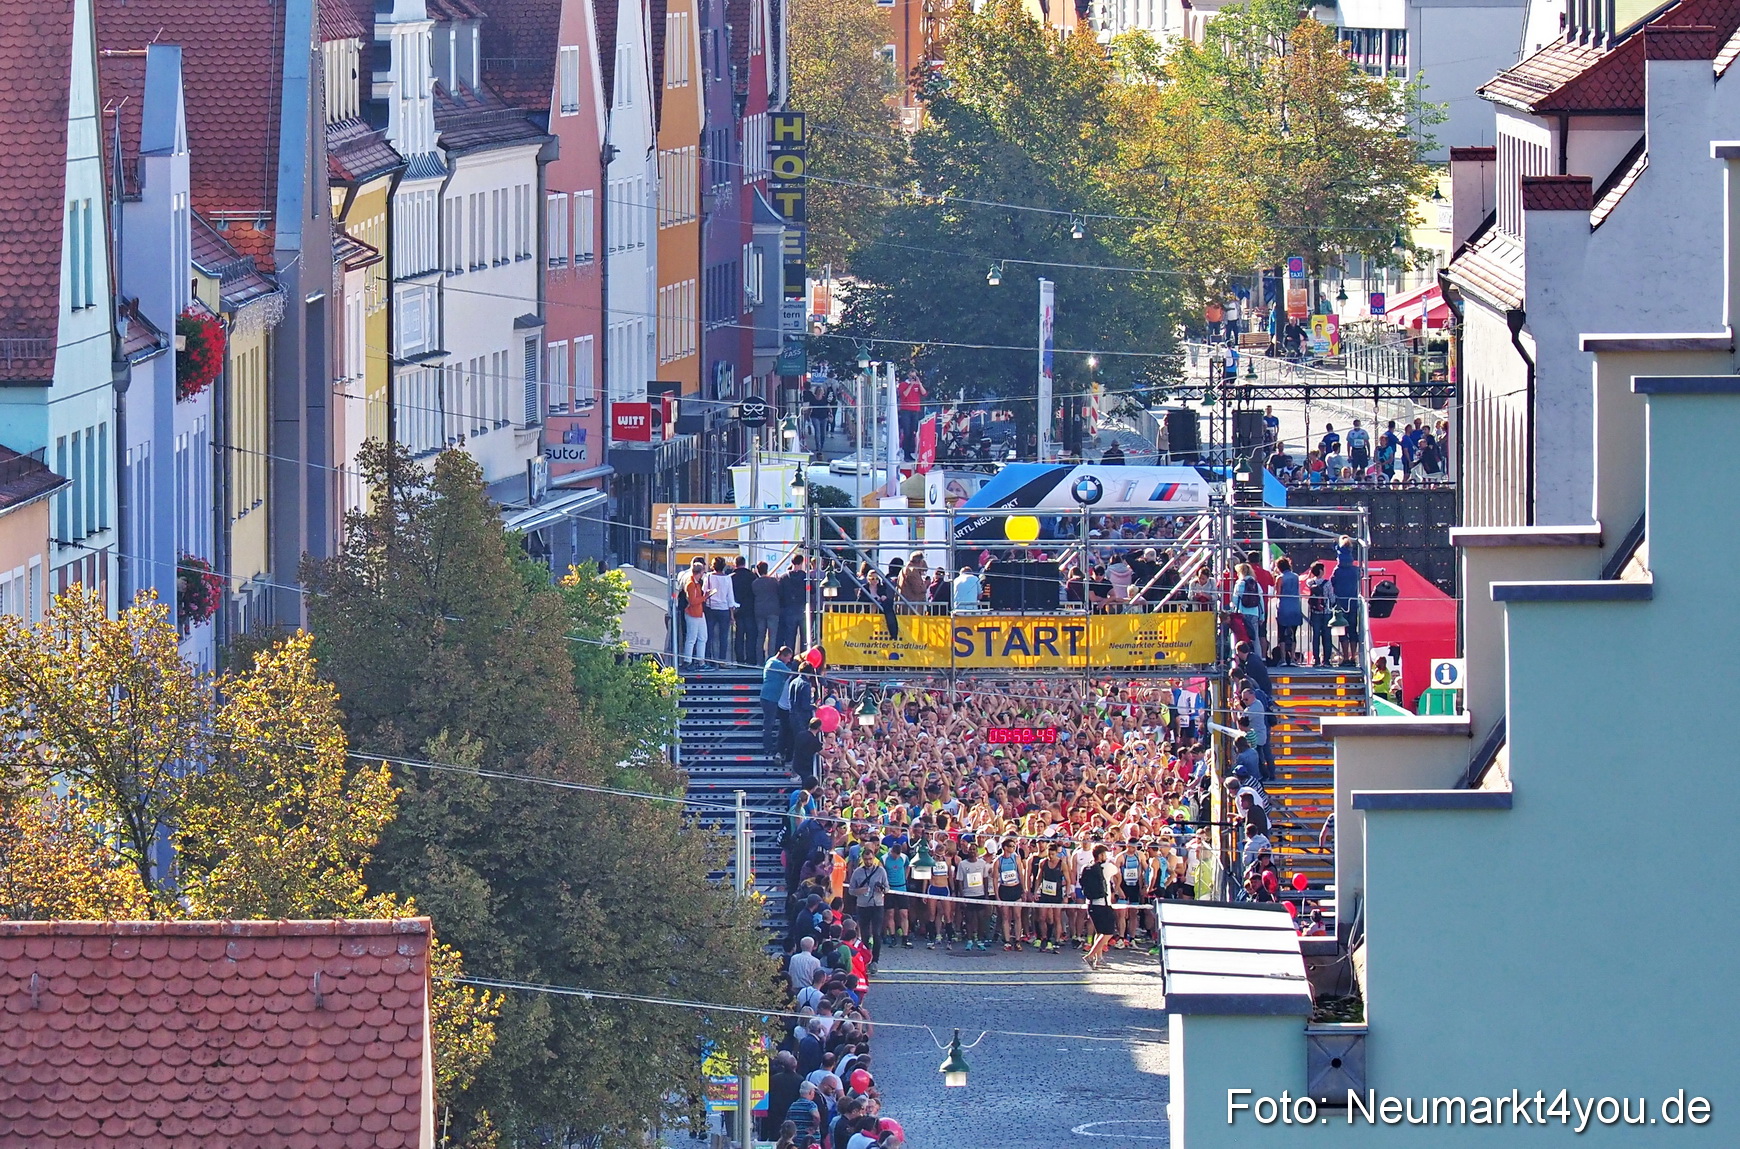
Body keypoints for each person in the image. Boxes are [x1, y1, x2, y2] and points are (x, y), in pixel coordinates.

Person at [1080, 844, 1119, 970]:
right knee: (1108, 932)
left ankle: (1099, 958)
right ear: (1101, 855)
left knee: (1100, 932)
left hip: (1091, 903)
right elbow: (1117, 870)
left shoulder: (1087, 867)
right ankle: (1090, 955)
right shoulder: (1106, 867)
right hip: (1103, 904)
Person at [847, 847, 889, 965]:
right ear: (862, 859)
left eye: (870, 859)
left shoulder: (881, 871)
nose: (868, 862)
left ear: (874, 858)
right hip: (862, 905)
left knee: (876, 933)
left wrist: (882, 889)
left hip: (877, 904)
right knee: (865, 934)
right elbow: (851, 890)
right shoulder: (858, 872)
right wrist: (859, 891)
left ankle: (875, 960)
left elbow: (887, 888)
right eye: (866, 859)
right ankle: (865, 959)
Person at [993, 837, 1026, 950]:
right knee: (1005, 917)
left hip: (1015, 889)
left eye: (1014, 846)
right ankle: (1007, 941)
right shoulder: (998, 861)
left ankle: (1017, 940)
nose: (1014, 848)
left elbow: (1021, 874)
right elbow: (995, 879)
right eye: (1011, 846)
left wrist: (1023, 890)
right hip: (1004, 890)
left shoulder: (1016, 858)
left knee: (1017, 916)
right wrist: (997, 897)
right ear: (1005, 848)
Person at [677, 558, 711, 670]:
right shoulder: (691, 584)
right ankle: (688, 660)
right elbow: (692, 601)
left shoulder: (695, 583)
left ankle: (700, 661)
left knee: (702, 637)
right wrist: (705, 597)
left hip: (699, 613)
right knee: (692, 638)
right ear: (700, 572)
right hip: (693, 613)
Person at [705, 556, 737, 665]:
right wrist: (732, 615)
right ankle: (722, 660)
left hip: (710, 608)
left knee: (709, 636)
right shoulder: (727, 578)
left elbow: (704, 592)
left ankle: (708, 659)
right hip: (724, 609)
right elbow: (730, 597)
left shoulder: (708, 577)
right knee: (723, 637)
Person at [764, 1052, 803, 1142]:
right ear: (796, 1066)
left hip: (776, 1113)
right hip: (792, 1112)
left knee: (775, 1137)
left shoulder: (774, 1079)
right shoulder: (800, 1079)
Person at [778, 555, 810, 653]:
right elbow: (811, 591)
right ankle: (803, 658)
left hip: (788, 610)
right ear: (801, 563)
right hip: (803, 609)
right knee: (804, 638)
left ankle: (789, 658)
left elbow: (780, 594)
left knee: (790, 637)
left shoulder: (783, 577)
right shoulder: (805, 577)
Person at [1274, 557, 1302, 665]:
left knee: (1282, 633)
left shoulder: (1280, 578)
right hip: (1295, 606)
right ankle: (1293, 658)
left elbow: (1278, 594)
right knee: (1294, 633)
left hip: (1284, 606)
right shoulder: (1296, 576)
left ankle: (1283, 659)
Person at [731, 556, 759, 666]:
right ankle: (751, 659)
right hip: (750, 610)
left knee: (739, 636)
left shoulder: (731, 577)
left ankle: (740, 660)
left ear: (735, 564)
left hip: (737, 610)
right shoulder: (752, 576)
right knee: (751, 636)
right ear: (745, 563)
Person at [1305, 559, 1333, 667]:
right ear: (1321, 571)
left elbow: (1307, 581)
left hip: (1314, 611)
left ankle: (1315, 659)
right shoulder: (1327, 583)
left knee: (1315, 636)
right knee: (1327, 636)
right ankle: (1326, 660)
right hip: (1326, 612)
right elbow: (1332, 597)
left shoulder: (1310, 582)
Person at [753, 560, 781, 665]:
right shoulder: (774, 582)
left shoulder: (755, 583)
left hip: (759, 611)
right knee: (772, 636)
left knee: (760, 636)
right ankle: (770, 660)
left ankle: (759, 661)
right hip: (773, 610)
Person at [897, 372, 926, 459]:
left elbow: (924, 393)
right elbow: (904, 395)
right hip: (906, 411)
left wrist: (919, 383)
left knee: (913, 432)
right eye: (911, 376)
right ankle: (906, 454)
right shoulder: (903, 384)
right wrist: (910, 385)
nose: (913, 378)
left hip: (915, 411)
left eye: (914, 376)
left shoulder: (917, 385)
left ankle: (910, 452)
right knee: (907, 432)